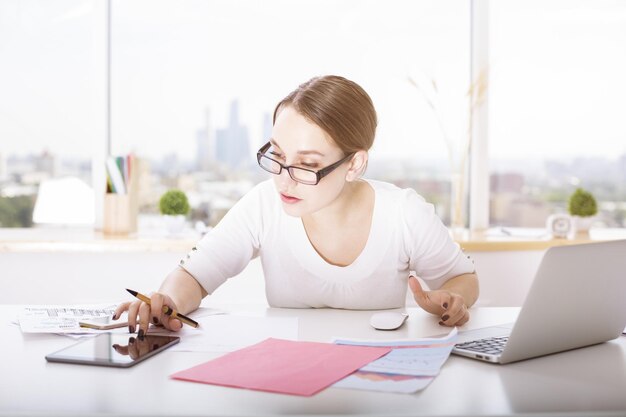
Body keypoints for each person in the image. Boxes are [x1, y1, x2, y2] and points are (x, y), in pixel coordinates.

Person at [114, 75, 479, 338]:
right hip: (286, 377)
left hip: (380, 377)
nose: (283, 179)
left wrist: (453, 300)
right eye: (277, 155)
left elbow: (461, 278)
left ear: (354, 164)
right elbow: (195, 275)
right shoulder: (263, 205)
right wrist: (166, 301)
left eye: (307, 164)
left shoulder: (403, 213)